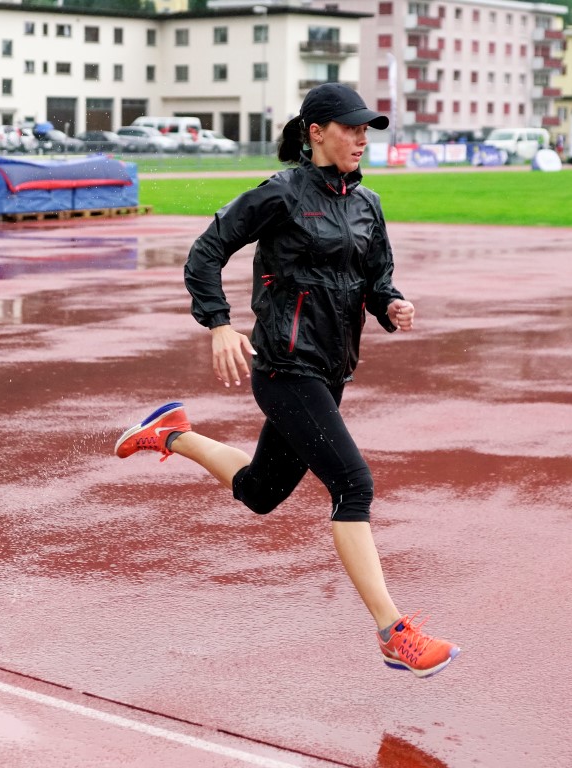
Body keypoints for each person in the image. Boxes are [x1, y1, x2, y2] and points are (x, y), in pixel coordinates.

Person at [114, 83, 461, 679]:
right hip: (283, 366)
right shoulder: (280, 194)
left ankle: (170, 433)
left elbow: (377, 279)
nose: (361, 139)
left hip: (332, 370)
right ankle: (393, 633)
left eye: (366, 130)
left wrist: (391, 305)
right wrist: (219, 325)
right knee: (353, 485)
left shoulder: (368, 204)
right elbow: (205, 253)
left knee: (261, 492)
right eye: (351, 128)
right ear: (316, 133)